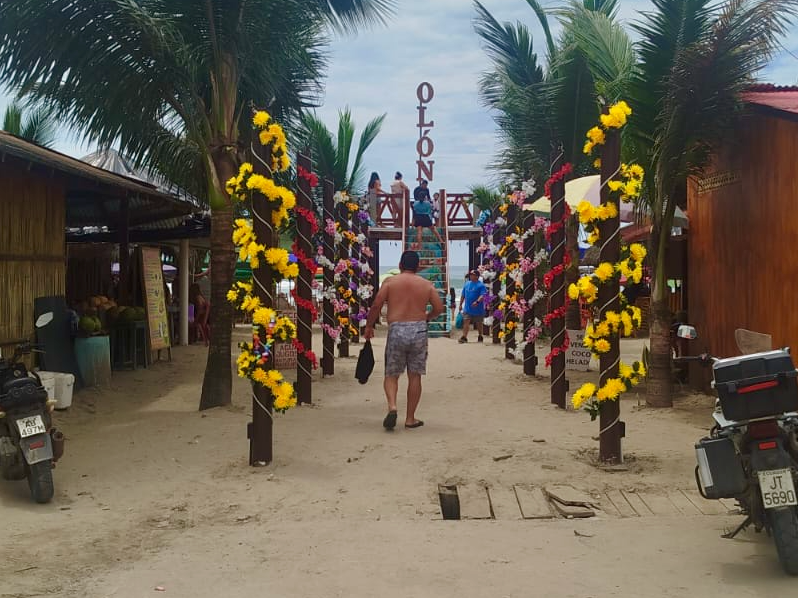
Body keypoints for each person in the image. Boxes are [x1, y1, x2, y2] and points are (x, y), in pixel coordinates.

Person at [364, 250, 444, 430]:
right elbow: (439, 308)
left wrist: (369, 326)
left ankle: (392, 406)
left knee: (391, 374)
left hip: (397, 329)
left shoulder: (390, 282)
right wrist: (427, 316)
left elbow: (376, 304)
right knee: (415, 375)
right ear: (417, 267)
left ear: (400, 265)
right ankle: (410, 419)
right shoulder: (426, 284)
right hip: (418, 330)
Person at [411, 181, 444, 248]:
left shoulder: (415, 204)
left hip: (418, 218)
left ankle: (420, 246)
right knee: (434, 229)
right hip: (426, 217)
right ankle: (441, 241)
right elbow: (430, 210)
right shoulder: (427, 203)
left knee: (419, 231)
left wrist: (412, 223)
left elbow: (414, 212)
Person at [458, 270, 487, 343]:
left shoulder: (481, 285)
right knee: (466, 321)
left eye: (472, 275)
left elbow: (482, 295)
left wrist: (477, 301)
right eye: (470, 275)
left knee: (479, 323)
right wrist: (460, 304)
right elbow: (463, 295)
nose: (471, 276)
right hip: (467, 308)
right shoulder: (467, 284)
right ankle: (464, 337)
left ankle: (480, 335)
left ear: (477, 276)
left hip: (478, 309)